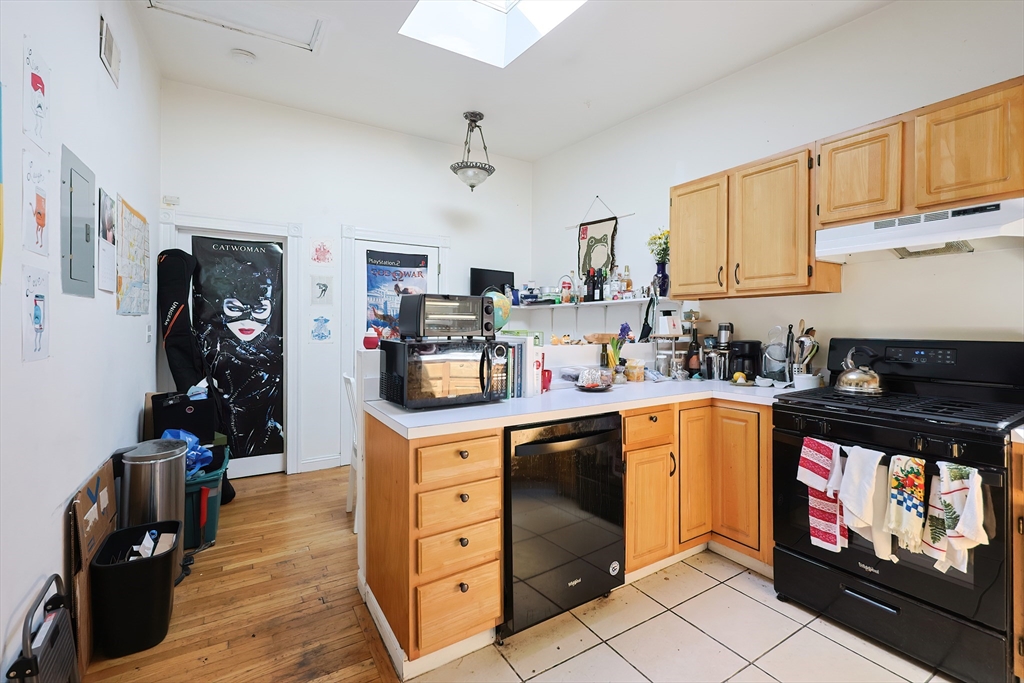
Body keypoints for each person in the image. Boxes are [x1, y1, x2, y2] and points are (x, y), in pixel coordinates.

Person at [194, 256, 284, 459]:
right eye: (235, 309)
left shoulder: (275, 349)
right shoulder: (210, 344)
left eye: (259, 310)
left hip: (265, 437)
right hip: (220, 432)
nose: (247, 321)